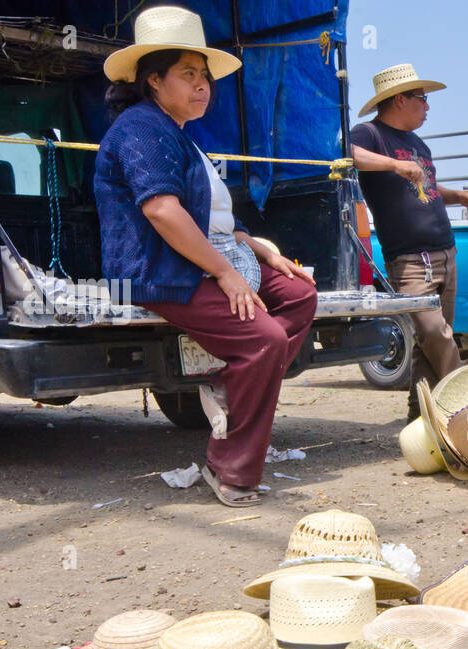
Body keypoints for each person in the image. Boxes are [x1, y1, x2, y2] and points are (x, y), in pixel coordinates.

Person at [94, 7, 317, 507]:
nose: (203, 87)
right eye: (188, 75)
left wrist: (256, 248)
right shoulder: (141, 128)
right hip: (159, 272)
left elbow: (211, 219)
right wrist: (225, 274)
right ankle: (229, 468)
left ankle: (228, 386)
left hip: (205, 260)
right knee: (263, 340)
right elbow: (163, 212)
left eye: (205, 77)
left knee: (299, 295)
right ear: (154, 80)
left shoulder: (180, 135)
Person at [349, 64, 468, 421]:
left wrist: (459, 196)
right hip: (410, 259)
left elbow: (428, 188)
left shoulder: (419, 145)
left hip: (445, 250)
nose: (427, 108)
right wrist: (394, 165)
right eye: (422, 100)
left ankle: (421, 417)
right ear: (399, 99)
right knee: (435, 333)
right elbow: (349, 156)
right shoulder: (369, 134)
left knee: (433, 341)